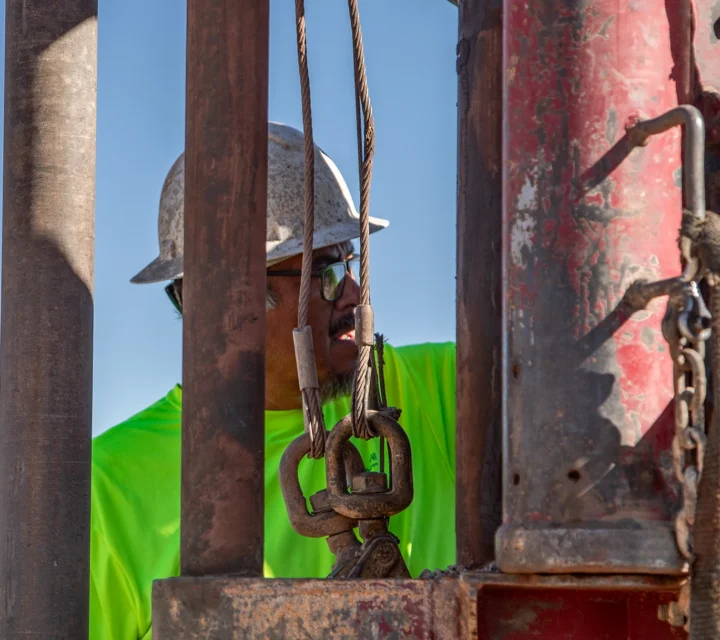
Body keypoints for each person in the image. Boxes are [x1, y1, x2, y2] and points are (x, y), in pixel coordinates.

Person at [90, 122, 456, 639]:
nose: (352, 292)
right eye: (326, 273)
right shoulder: (109, 487)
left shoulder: (434, 390)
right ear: (229, 304)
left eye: (349, 265)